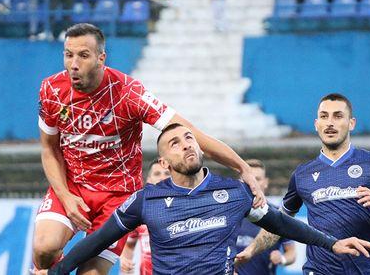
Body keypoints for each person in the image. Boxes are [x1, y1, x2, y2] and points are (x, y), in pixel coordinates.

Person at [32, 23, 267, 275]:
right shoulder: (52, 90)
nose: (73, 64)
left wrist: (242, 167)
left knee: (90, 273)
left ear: (101, 58)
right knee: (44, 248)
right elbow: (49, 148)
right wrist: (65, 196)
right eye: (68, 55)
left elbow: (192, 134)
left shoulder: (128, 94)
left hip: (117, 194)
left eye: (83, 55)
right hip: (72, 184)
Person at [35, 123, 370, 275]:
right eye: (175, 143)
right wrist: (56, 271)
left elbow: (280, 222)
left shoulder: (233, 192)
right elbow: (96, 241)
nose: (187, 144)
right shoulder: (146, 200)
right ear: (164, 162)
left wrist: (332, 243)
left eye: (190, 139)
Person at [236, 93, 370, 275]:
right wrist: (252, 250)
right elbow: (279, 223)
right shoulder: (302, 174)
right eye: (324, 117)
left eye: (338, 116)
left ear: (351, 123)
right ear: (317, 124)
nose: (330, 123)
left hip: (363, 270)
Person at [234, 159, 296, 275]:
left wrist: (282, 258)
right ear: (240, 181)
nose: (253, 183)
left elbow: (291, 253)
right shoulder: (228, 214)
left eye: (257, 179)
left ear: (266, 182)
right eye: (248, 179)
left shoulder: (278, 216)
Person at [119, 159, 170, 275]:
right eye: (157, 174)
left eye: (167, 174)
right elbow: (129, 244)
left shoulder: (186, 210)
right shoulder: (140, 213)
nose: (162, 177)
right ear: (148, 180)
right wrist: (124, 259)